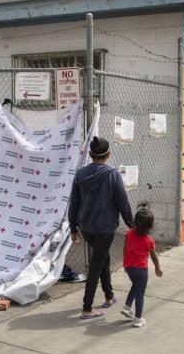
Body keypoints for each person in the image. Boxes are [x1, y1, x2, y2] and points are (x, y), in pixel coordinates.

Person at [69, 136, 134, 320]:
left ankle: (109, 296)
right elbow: (123, 203)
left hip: (87, 228)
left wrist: (73, 227)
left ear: (90, 155)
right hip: (105, 229)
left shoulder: (80, 174)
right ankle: (87, 308)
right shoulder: (112, 174)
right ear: (109, 154)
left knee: (103, 258)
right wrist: (132, 225)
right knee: (96, 267)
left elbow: (74, 203)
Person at [121, 205, 163, 328]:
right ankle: (138, 319)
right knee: (140, 293)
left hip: (129, 268)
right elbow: (154, 257)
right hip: (141, 270)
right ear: (150, 226)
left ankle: (127, 307)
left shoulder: (129, 233)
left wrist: (125, 263)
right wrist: (157, 268)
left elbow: (125, 249)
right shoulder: (148, 240)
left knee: (135, 286)